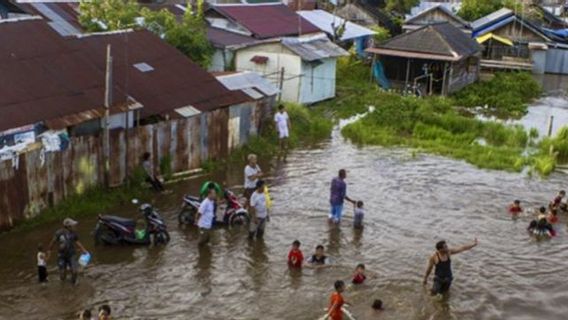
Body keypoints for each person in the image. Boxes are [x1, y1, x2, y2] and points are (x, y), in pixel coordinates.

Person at [48, 218, 88, 285]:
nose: (75, 226)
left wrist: (83, 250)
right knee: (62, 275)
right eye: (73, 225)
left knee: (74, 271)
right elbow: (53, 242)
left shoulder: (74, 233)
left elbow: (77, 242)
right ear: (68, 226)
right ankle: (64, 287)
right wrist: (49, 250)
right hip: (61, 256)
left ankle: (73, 285)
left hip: (72, 255)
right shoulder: (59, 233)